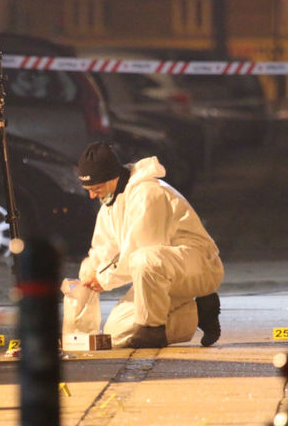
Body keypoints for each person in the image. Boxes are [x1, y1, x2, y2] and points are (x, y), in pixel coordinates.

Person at [76, 141, 224, 349]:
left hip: (197, 267)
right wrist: (89, 274)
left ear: (113, 178)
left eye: (96, 188)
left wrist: (104, 278)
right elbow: (104, 248)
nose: (92, 195)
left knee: (143, 259)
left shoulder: (147, 193)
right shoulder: (111, 203)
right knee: (116, 334)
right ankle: (198, 311)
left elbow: (141, 249)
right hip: (161, 275)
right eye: (88, 189)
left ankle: (153, 331)